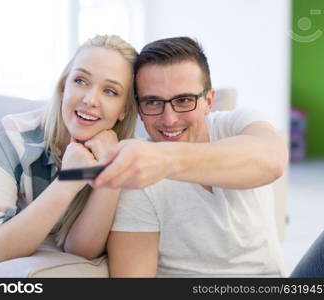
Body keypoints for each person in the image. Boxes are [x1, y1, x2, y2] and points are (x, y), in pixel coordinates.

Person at [104, 37, 289, 277]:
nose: (169, 119)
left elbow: (272, 161)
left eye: (183, 100)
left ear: (209, 101)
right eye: (153, 102)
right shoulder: (137, 178)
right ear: (139, 109)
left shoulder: (236, 124)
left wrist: (166, 159)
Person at [0, 35, 138, 266]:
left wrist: (109, 171)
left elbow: (80, 250)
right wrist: (69, 180)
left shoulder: (130, 154)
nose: (90, 100)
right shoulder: (10, 135)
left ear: (124, 110)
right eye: (80, 81)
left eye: (110, 91)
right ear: (63, 86)